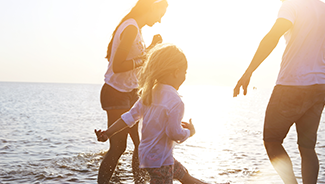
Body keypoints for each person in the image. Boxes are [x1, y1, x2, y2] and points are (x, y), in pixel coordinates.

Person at [233, 0, 325, 183]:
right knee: (307, 148)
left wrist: (249, 70)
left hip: (292, 83)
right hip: (319, 86)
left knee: (272, 140)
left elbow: (273, 36)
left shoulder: (292, 5)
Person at [95, 43, 208, 184]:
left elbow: (129, 117)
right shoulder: (176, 101)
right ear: (176, 72)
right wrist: (189, 132)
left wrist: (108, 133)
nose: (185, 77)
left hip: (147, 156)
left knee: (183, 175)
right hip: (161, 160)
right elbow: (174, 133)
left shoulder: (149, 94)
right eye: (184, 72)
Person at [98, 0, 169, 183]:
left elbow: (135, 60)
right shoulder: (130, 28)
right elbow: (118, 66)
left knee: (139, 145)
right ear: (152, 7)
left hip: (130, 93)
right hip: (115, 92)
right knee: (118, 147)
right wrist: (145, 55)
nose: (160, 20)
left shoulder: (136, 28)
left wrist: (151, 48)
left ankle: (140, 182)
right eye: (160, 14)